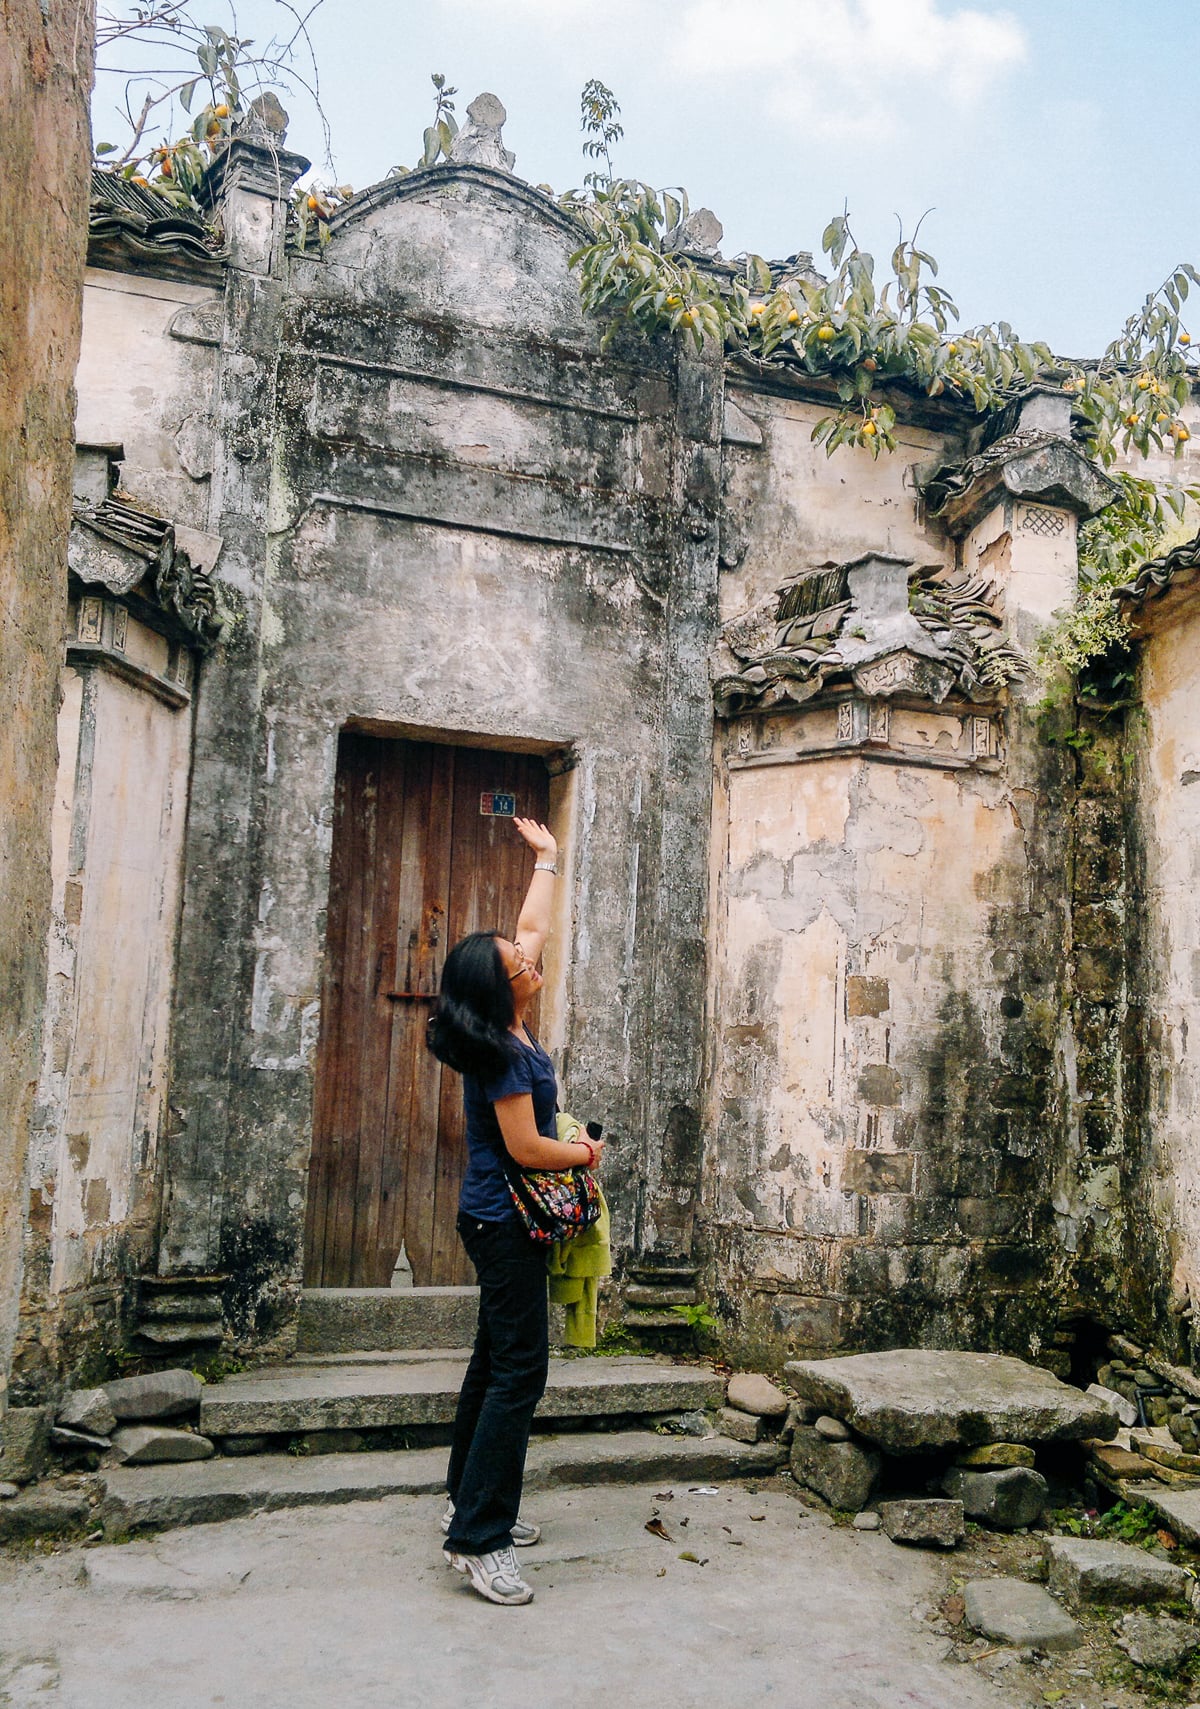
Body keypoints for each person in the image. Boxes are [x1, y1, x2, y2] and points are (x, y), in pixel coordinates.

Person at [425, 816, 605, 1607]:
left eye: (522, 955)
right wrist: (584, 1154)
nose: (531, 958)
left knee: (492, 1361)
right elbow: (527, 1147)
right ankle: (479, 1537)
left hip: (493, 1217)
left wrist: (548, 860)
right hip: (504, 1221)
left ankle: (465, 1499)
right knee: (520, 1372)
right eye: (517, 963)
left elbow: (532, 926)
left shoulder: (510, 1017)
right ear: (501, 988)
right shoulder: (500, 1051)